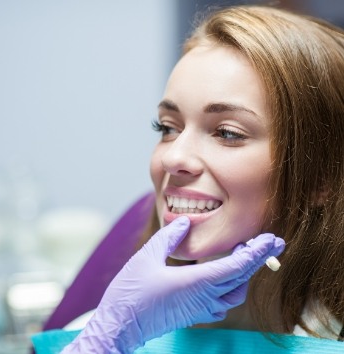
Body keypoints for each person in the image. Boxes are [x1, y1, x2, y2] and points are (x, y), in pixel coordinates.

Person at [36, 4, 344, 353]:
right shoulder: (98, 333)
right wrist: (108, 337)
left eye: (227, 133)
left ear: (321, 180)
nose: (172, 157)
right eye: (167, 128)